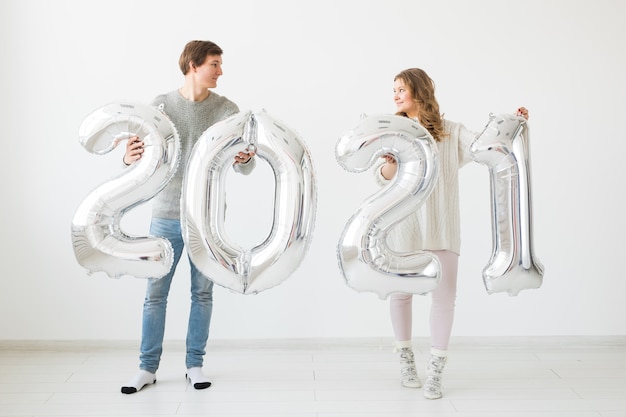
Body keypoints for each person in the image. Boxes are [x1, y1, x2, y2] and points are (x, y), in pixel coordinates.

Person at [377, 68, 528, 399]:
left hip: (443, 226)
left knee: (444, 298)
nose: (396, 95)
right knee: (401, 292)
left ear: (419, 91)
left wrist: (512, 122)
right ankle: (406, 360)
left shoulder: (450, 132)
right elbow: (384, 176)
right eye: (394, 90)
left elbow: (483, 146)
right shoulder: (395, 132)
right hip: (404, 226)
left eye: (401, 89)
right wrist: (390, 160)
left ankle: (435, 371)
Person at [120, 40, 255, 394]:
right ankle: (147, 368)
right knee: (155, 293)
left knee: (203, 293)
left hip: (206, 218)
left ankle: (194, 365)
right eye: (215, 64)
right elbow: (141, 156)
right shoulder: (161, 106)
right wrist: (129, 157)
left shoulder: (228, 109)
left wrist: (244, 158)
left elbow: (246, 164)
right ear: (193, 65)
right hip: (165, 213)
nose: (221, 71)